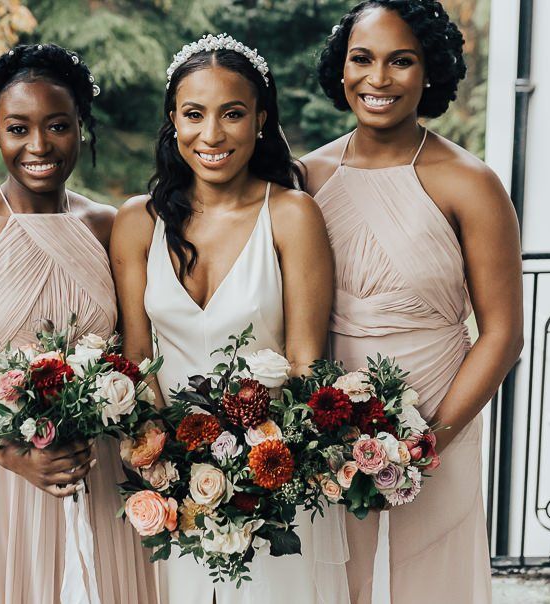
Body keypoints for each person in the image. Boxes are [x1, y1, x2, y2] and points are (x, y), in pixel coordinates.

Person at [110, 33, 350, 604]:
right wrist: (167, 463)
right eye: (194, 114)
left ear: (261, 120)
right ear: (173, 119)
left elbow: (304, 362)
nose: (211, 135)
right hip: (169, 487)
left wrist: (248, 470)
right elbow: (139, 359)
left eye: (233, 114)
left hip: (271, 477)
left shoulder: (292, 215)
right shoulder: (136, 222)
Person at [0, 43, 156, 604]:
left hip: (95, 472)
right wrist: (15, 456)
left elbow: (138, 353)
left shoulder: (109, 227)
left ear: (81, 128)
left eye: (58, 126)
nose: (39, 146)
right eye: (18, 128)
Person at [302, 2, 523, 603]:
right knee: (332, 577)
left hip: (440, 420)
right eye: (362, 59)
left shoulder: (470, 182)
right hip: (326, 430)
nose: (378, 79)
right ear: (340, 69)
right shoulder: (305, 179)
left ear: (431, 71)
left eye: (401, 61)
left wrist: (426, 442)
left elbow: (503, 333)